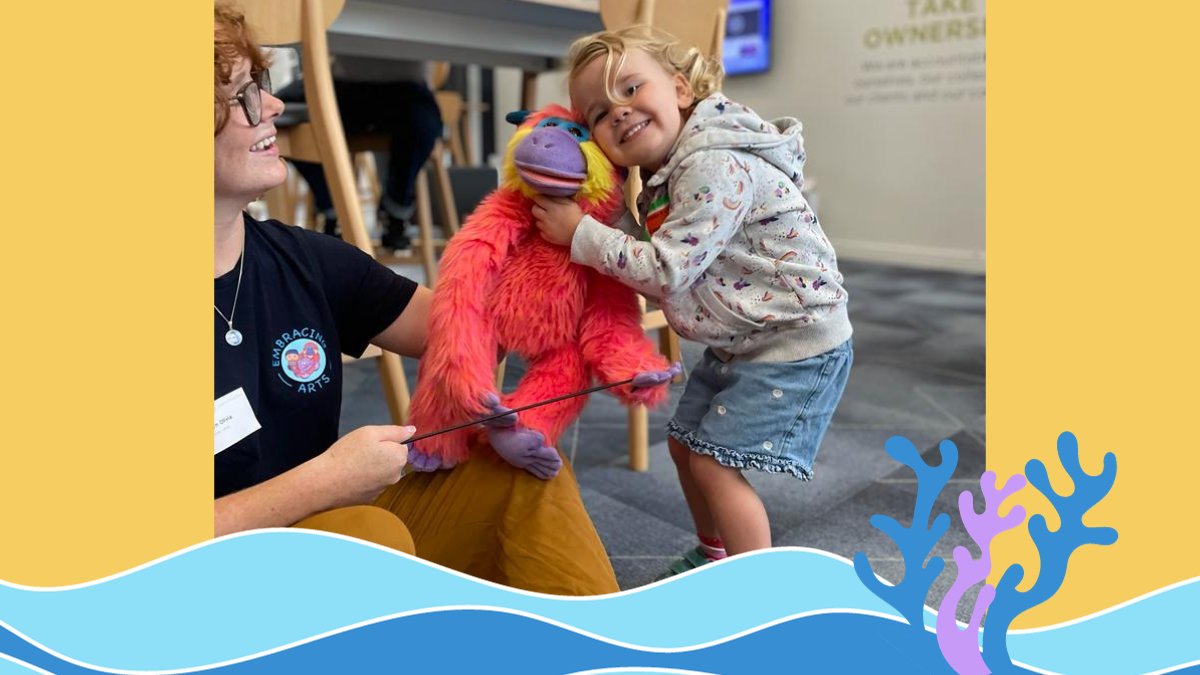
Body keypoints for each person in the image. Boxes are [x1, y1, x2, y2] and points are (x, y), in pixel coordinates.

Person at [213, 5, 622, 595]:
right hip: (202, 584)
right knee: (368, 535)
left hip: (320, 528)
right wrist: (325, 481)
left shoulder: (305, 260)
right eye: (242, 97)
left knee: (520, 469)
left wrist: (567, 230)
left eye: (263, 87)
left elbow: (472, 327)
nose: (274, 106)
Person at [533, 26, 854, 578]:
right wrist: (607, 216)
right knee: (685, 447)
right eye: (598, 114)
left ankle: (757, 590)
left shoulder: (712, 165)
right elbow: (655, 243)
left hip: (795, 344)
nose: (619, 113)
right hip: (742, 341)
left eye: (631, 88)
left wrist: (582, 233)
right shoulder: (667, 172)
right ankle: (714, 558)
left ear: (681, 89)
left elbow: (666, 268)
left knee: (712, 465)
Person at [276, 57, 443, 251]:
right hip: (342, 85)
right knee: (276, 113)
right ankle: (333, 206)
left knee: (423, 123)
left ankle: (396, 209)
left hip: (406, 90)